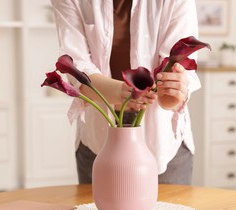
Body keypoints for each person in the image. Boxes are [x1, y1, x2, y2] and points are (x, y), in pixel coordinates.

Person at [51, 0, 202, 185]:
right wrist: (124, 92)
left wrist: (172, 93)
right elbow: (75, 65)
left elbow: (175, 78)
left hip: (163, 140)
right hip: (99, 135)